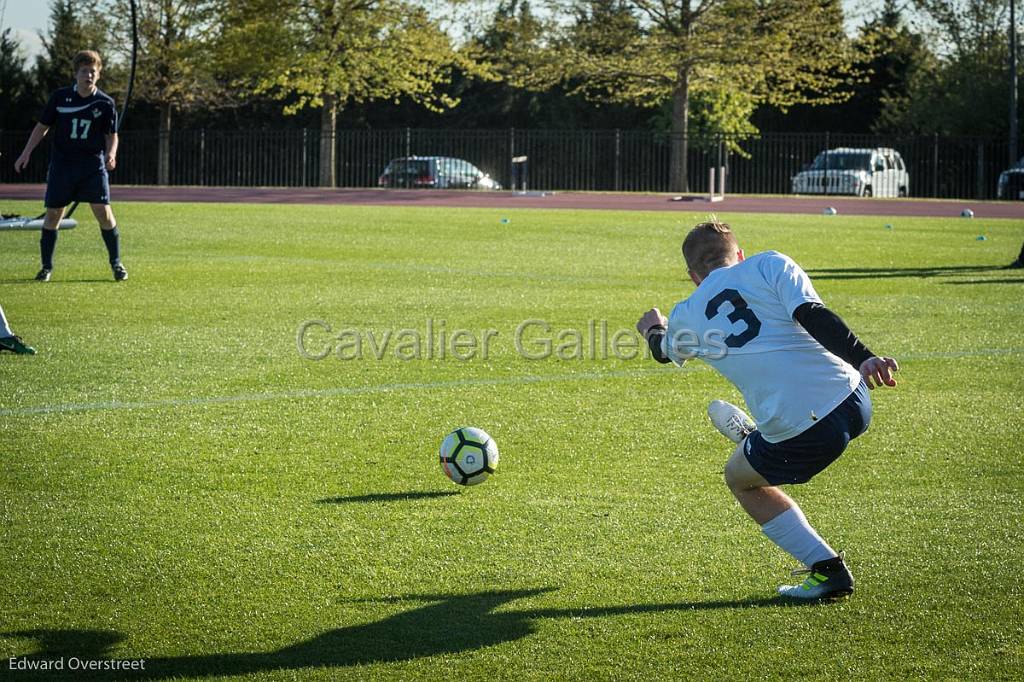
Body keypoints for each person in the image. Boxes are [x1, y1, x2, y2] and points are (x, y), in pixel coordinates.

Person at [636, 220, 898, 601]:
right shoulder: (769, 263)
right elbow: (813, 314)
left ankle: (828, 572)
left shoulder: (687, 314)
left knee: (740, 479)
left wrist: (653, 329)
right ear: (738, 254)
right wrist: (864, 358)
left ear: (694, 276)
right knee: (773, 443)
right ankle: (756, 441)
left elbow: (662, 353)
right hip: (855, 398)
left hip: (804, 431)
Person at [13, 49, 127, 282]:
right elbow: (42, 127)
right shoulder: (60, 97)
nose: (88, 75)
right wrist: (26, 152)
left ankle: (116, 263)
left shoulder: (105, 103)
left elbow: (112, 135)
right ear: (75, 74)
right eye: (84, 71)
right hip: (63, 166)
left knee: (103, 212)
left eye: (92, 71)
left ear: (99, 74)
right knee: (54, 213)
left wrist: (111, 153)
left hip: (92, 166)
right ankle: (46, 267)